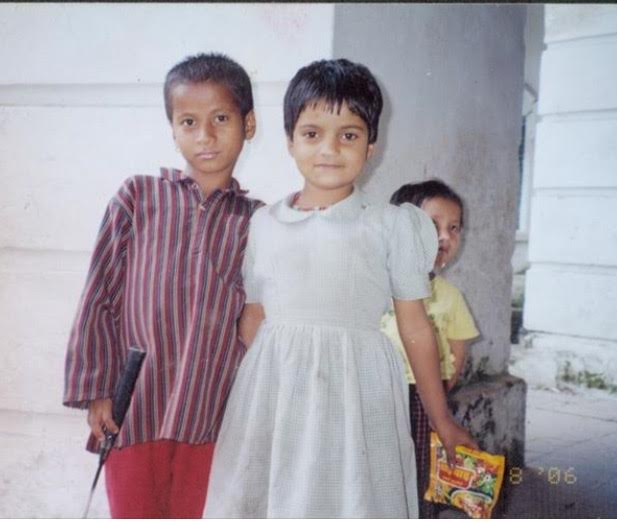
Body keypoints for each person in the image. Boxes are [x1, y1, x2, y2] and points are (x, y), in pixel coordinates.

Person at [203, 58, 475, 518]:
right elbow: (254, 320)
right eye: (312, 133)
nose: (329, 149)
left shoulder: (391, 225)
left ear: (371, 146)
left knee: (347, 498)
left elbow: (415, 327)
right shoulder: (265, 223)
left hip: (356, 391)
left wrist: (441, 417)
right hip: (278, 391)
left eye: (348, 134)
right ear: (290, 141)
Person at [62, 52, 260, 518]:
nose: (205, 135)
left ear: (248, 124)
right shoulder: (138, 196)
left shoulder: (258, 222)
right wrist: (97, 387)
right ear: (173, 130)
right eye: (189, 122)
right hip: (134, 406)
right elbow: (99, 294)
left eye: (221, 119)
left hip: (212, 411)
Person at [381, 179, 480, 518]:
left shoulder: (450, 297)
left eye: (454, 228)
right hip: (376, 391)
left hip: (423, 397)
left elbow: (457, 352)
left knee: (420, 468)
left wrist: (440, 388)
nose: (445, 236)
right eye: (433, 225)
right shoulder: (376, 286)